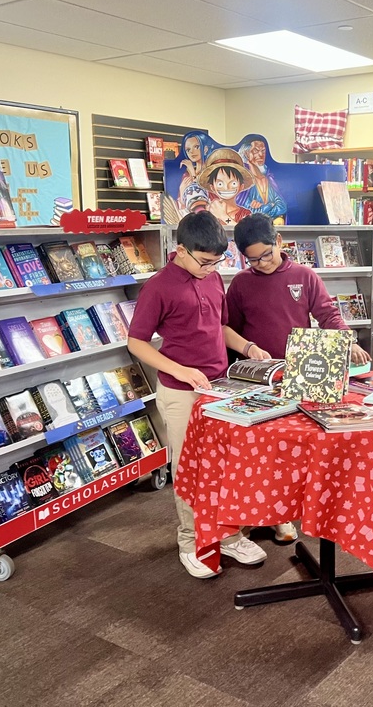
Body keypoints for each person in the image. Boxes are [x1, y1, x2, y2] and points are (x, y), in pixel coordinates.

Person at [127, 210, 273, 579]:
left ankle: (229, 536)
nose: (211, 268)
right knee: (189, 471)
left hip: (221, 388)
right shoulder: (158, 287)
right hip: (180, 393)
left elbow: (220, 326)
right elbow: (136, 343)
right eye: (205, 262)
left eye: (217, 262)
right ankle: (191, 541)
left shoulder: (213, 279)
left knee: (228, 466)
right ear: (180, 250)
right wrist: (180, 370)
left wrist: (249, 346)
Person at [227, 214, 373, 543]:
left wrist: (347, 343)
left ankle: (280, 516)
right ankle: (249, 515)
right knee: (256, 451)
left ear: (279, 242)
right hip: (259, 378)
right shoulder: (240, 283)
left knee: (286, 452)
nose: (260, 263)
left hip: (300, 374)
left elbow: (328, 314)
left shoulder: (303, 276)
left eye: (266, 254)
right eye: (252, 259)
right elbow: (230, 328)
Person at [237, 135, 288, 224]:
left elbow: (283, 206)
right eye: (256, 151)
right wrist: (271, 205)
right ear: (246, 153)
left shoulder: (268, 177)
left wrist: (264, 209)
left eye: (263, 151)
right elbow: (246, 209)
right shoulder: (242, 178)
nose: (261, 155)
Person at [198, 148, 254, 226]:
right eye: (220, 184)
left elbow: (244, 233)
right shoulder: (209, 213)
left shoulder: (245, 214)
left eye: (233, 183)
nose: (227, 187)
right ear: (212, 187)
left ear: (241, 187)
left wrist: (223, 216)